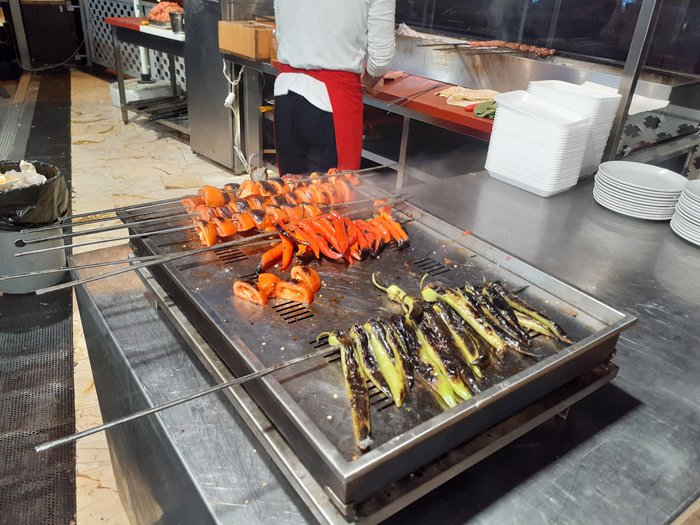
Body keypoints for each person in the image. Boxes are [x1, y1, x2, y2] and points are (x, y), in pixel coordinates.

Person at [273, 0, 396, 175]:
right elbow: (381, 58)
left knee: (290, 187)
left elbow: (281, 35)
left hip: (286, 92)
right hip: (331, 100)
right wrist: (369, 81)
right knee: (335, 188)